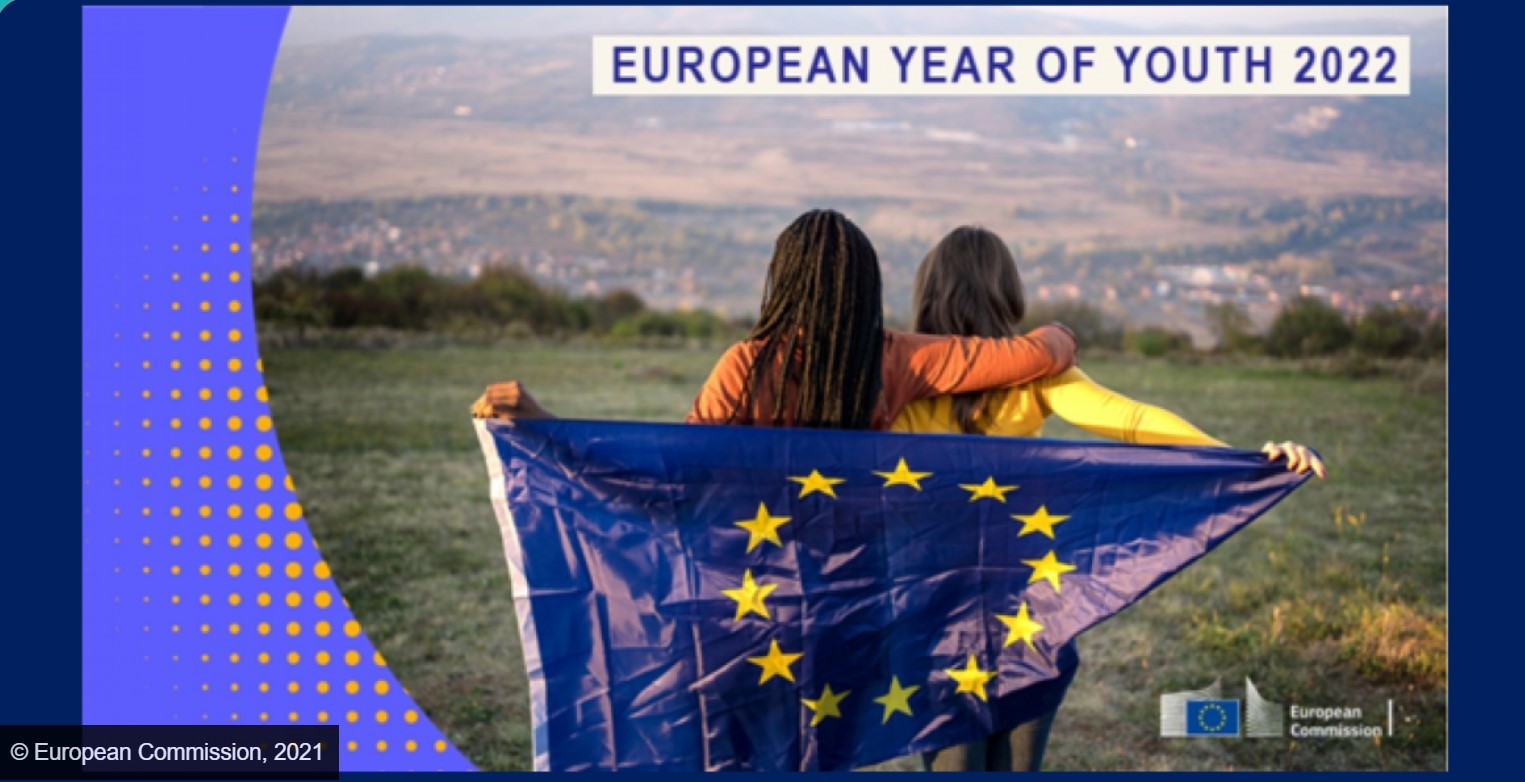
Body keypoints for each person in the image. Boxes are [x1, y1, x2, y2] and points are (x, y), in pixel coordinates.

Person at [894, 225, 1324, 773]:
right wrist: (1241, 459)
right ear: (1005, 292)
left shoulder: (897, 384)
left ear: (927, 295)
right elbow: (1134, 421)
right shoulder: (1034, 376)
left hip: (935, 625)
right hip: (1033, 622)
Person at [474, 209, 1083, 427]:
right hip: (861, 582)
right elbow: (1038, 355)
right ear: (867, 287)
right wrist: (1060, 332)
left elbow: (665, 469)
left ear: (782, 280)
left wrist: (541, 423)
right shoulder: (899, 357)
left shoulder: (743, 367)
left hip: (757, 581)